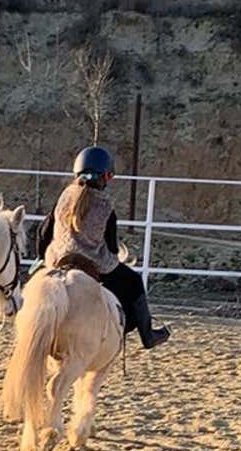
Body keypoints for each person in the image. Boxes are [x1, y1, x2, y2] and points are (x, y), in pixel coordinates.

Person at [44, 146, 172, 350]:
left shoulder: (63, 199)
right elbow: (111, 247)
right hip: (92, 261)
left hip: (58, 258)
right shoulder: (105, 206)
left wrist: (45, 255)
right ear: (106, 177)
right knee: (133, 281)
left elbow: (44, 232)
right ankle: (148, 335)